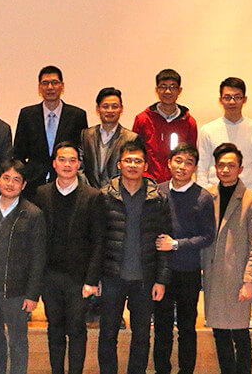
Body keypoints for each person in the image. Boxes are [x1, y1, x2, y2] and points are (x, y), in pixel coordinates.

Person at [96, 140, 172, 374]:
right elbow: (97, 241)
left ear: (145, 165)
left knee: (141, 336)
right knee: (108, 334)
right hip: (111, 277)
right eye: (128, 160)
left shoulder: (157, 199)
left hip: (145, 278)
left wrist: (161, 280)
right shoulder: (104, 196)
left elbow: (164, 241)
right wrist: (94, 278)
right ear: (119, 164)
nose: (132, 165)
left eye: (137, 161)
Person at [31, 141, 102, 374]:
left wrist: (92, 280)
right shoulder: (41, 193)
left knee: (77, 329)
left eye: (72, 160)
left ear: (79, 165)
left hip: (78, 278)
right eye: (62, 159)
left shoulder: (92, 196)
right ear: (54, 163)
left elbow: (98, 241)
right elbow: (36, 239)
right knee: (55, 328)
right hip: (50, 276)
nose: (67, 164)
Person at [201, 143, 252, 374]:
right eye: (221, 165)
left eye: (231, 165)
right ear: (215, 168)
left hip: (237, 276)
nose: (226, 170)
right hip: (213, 275)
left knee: (240, 333)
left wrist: (249, 280)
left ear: (240, 169)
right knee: (219, 332)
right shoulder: (207, 196)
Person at [0, 159, 46, 374]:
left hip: (17, 292)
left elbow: (38, 257)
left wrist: (32, 294)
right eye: (6, 178)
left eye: (16, 180)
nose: (10, 183)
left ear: (23, 185)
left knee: (17, 342)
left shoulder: (33, 214)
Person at [152, 144, 215, 374]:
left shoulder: (203, 197)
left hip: (188, 271)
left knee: (187, 328)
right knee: (162, 327)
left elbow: (208, 236)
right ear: (169, 163)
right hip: (161, 273)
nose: (182, 167)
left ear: (195, 167)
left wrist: (177, 244)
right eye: (178, 160)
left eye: (188, 163)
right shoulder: (157, 192)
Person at [14, 65, 88, 194]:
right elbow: (18, 153)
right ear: (39, 87)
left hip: (66, 183)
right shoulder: (27, 114)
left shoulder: (77, 115)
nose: (50, 87)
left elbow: (81, 152)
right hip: (33, 184)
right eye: (45, 83)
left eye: (54, 82)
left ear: (62, 86)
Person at [197, 77, 252, 192]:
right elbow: (201, 166)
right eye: (227, 97)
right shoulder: (208, 130)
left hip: (248, 193)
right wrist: (204, 195)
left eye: (237, 97)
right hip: (215, 194)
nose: (232, 102)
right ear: (220, 100)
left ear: (244, 99)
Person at [131, 69, 198, 183]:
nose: (168, 91)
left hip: (177, 183)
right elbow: (135, 153)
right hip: (147, 183)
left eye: (173, 87)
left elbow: (191, 156)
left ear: (179, 90)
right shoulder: (143, 120)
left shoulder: (188, 122)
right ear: (157, 90)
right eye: (163, 86)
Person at [81, 87, 138, 189]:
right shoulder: (86, 135)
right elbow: (79, 167)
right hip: (90, 193)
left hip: (118, 194)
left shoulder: (131, 138)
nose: (110, 110)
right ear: (98, 109)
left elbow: (131, 170)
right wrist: (89, 190)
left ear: (121, 109)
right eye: (105, 106)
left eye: (114, 107)